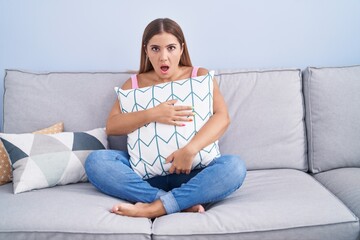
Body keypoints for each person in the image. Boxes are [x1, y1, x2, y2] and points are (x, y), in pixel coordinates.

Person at [85, 18, 246, 218]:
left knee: (235, 167)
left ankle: (155, 207)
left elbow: (223, 118)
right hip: (146, 180)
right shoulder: (133, 84)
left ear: (181, 48)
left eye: (171, 48)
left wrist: (190, 150)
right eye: (155, 49)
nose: (163, 57)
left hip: (194, 175)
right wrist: (154, 113)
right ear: (146, 50)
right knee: (96, 161)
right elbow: (112, 126)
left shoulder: (199, 76)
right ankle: (174, 202)